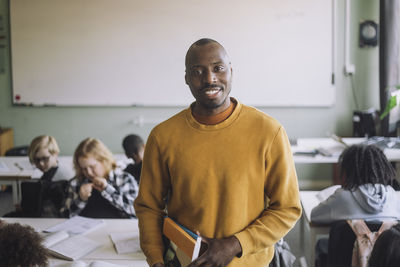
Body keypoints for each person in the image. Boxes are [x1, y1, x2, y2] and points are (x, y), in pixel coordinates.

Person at [134, 38, 302, 267]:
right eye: (197, 71)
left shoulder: (268, 131)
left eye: (218, 68)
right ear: (186, 79)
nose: (210, 78)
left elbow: (287, 208)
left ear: (231, 71)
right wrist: (155, 260)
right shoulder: (163, 136)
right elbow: (149, 207)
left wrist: (235, 244)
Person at [311, 144, 400, 224]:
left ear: (349, 169)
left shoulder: (342, 197)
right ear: (381, 168)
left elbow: (314, 216)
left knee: (322, 242)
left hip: (347, 242)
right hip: (385, 243)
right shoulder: (392, 195)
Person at [64, 137, 138, 218]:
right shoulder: (76, 183)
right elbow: (66, 216)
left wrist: (107, 190)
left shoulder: (124, 179)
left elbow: (137, 210)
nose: (88, 172)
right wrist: (81, 199)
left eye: (92, 167)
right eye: (84, 168)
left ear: (104, 161)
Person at [5, 135, 73, 217]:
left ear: (55, 154)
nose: (41, 163)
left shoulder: (63, 178)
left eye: (45, 159)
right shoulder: (50, 172)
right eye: (36, 160)